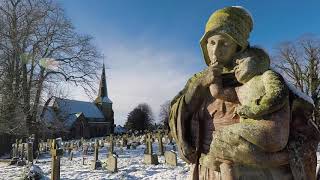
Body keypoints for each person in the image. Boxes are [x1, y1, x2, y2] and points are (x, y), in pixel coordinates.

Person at [169, 6, 318, 180]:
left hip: (256, 171)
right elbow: (179, 112)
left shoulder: (257, 76)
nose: (215, 51)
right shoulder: (198, 79)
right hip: (209, 169)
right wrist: (199, 85)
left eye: (225, 43)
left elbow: (295, 118)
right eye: (211, 42)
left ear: (238, 46)